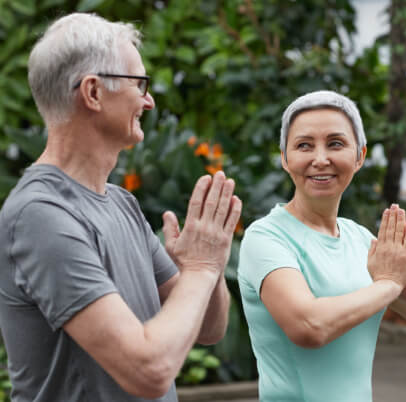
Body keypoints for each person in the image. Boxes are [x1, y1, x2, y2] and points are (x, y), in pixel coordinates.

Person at [0, 13, 241, 402]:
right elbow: (148, 371)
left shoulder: (122, 204)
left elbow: (208, 330)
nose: (149, 100)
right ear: (93, 93)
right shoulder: (39, 215)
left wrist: (208, 269)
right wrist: (202, 268)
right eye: (139, 83)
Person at [237, 90, 406, 402]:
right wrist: (388, 284)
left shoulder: (359, 239)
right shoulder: (267, 238)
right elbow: (308, 326)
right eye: (304, 145)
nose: (321, 158)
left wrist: (403, 286)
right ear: (285, 159)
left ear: (360, 156)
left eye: (336, 143)